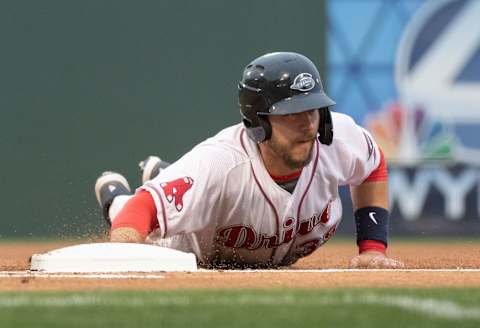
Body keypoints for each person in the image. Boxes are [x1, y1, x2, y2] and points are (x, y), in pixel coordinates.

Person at [94, 52, 404, 269]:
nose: (307, 125)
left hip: (246, 229)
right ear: (259, 122)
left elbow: (372, 164)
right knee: (131, 208)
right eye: (291, 115)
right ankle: (114, 197)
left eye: (312, 110)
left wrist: (373, 248)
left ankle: (165, 174)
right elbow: (142, 208)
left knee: (190, 184)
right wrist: (126, 250)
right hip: (191, 245)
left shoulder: (340, 138)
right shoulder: (219, 163)